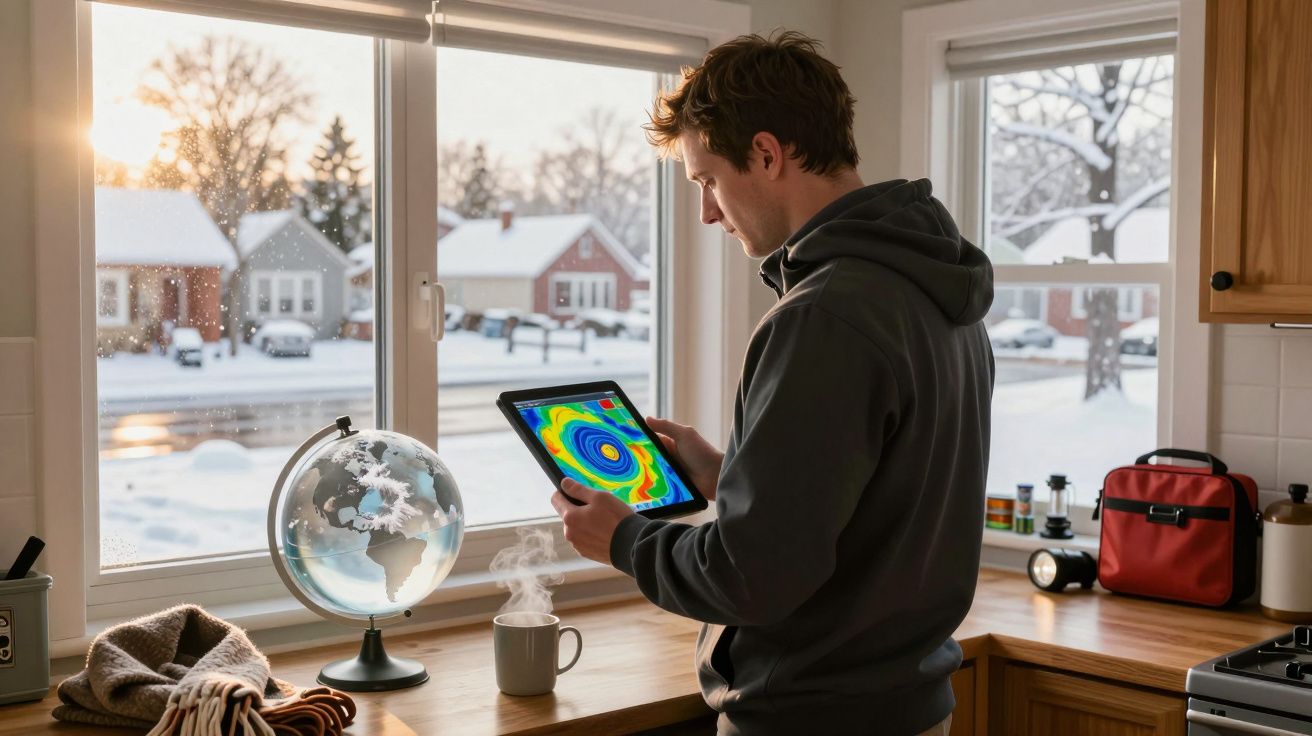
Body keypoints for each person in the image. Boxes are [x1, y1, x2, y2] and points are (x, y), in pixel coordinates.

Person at [549, 30, 994, 736]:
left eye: (707, 180)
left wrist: (624, 540)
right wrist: (732, 472)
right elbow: (877, 506)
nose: (706, 211)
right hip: (906, 709)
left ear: (766, 153)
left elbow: (751, 577)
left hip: (816, 720)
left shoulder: (823, 315)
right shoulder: (938, 293)